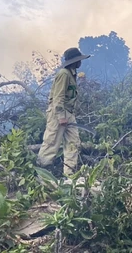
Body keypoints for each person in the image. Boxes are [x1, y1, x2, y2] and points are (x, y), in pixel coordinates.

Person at [37, 47, 90, 176]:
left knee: (73, 142)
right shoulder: (63, 74)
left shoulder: (71, 74)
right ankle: (42, 173)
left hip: (69, 113)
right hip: (58, 113)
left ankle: (69, 174)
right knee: (52, 142)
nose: (80, 62)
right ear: (74, 61)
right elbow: (58, 96)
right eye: (78, 60)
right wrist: (61, 116)